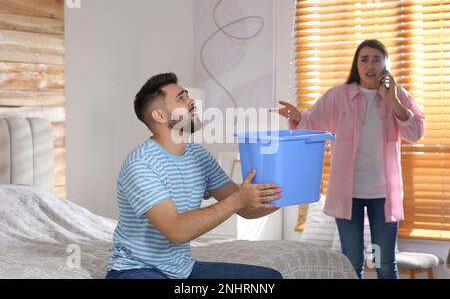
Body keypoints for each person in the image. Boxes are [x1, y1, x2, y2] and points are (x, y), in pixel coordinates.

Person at [105, 72, 283, 279]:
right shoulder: (140, 164)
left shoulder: (198, 155)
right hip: (135, 270)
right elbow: (176, 230)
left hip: (183, 270)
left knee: (269, 279)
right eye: (181, 98)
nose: (191, 102)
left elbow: (246, 208)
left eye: (187, 96)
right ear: (160, 116)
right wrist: (238, 200)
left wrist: (289, 191)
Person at [273, 39, 425, 279]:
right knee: (351, 262)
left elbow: (415, 132)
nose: (370, 65)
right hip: (348, 193)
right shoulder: (339, 95)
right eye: (364, 59)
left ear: (385, 63)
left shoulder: (398, 95)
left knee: (385, 263)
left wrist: (394, 98)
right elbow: (313, 122)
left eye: (376, 58)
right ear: (357, 64)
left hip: (384, 193)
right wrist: (297, 116)